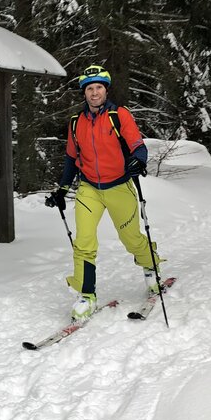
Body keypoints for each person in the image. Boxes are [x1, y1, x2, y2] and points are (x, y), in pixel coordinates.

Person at [45, 65, 163, 320]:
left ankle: (151, 269)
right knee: (84, 242)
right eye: (90, 88)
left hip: (119, 186)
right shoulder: (77, 123)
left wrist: (138, 161)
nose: (94, 92)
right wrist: (62, 189)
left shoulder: (119, 115)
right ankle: (87, 295)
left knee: (131, 238)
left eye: (98, 87)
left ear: (105, 90)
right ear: (84, 93)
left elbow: (136, 145)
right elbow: (70, 159)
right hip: (89, 188)